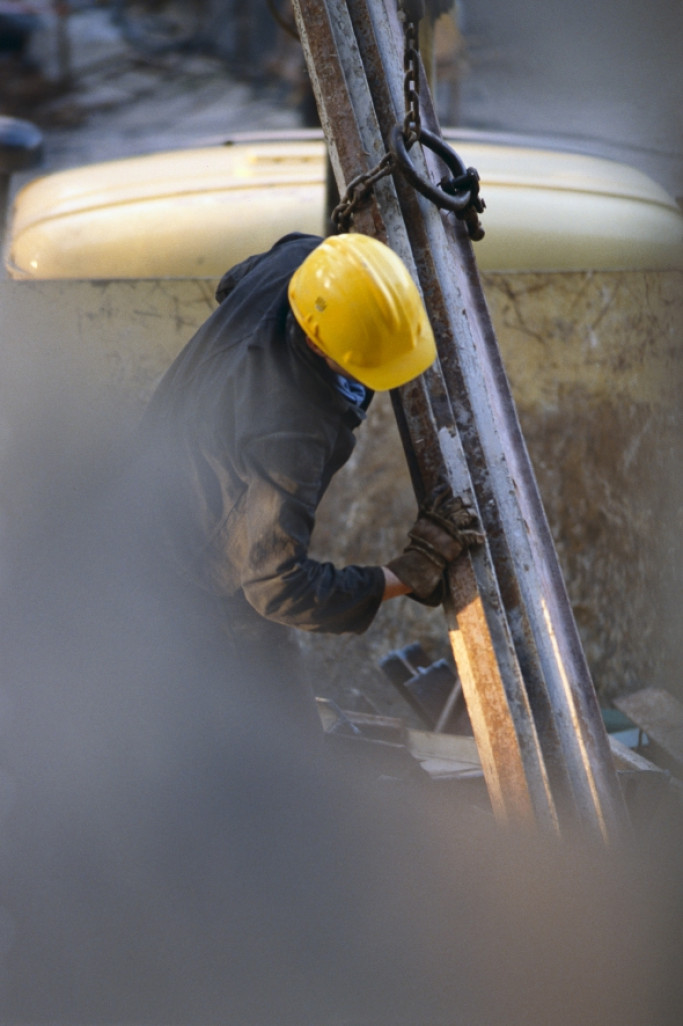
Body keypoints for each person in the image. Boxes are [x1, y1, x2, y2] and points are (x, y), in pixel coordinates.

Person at [136, 231, 483, 735]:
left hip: (152, 483)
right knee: (284, 752)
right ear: (318, 343)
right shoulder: (289, 431)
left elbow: (232, 283)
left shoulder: (305, 260)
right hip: (191, 585)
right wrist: (409, 572)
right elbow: (279, 588)